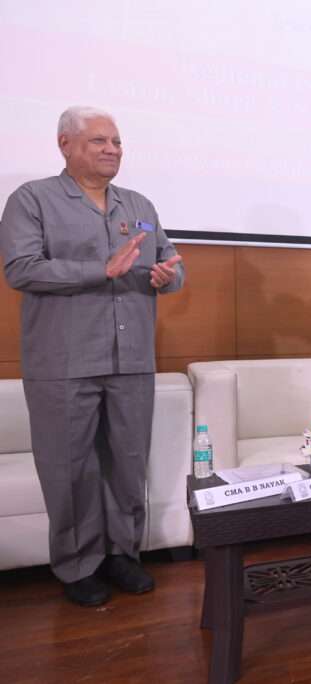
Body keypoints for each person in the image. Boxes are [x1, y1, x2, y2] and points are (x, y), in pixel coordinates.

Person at [0, 106, 185, 606]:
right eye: (99, 141)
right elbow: (21, 269)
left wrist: (168, 277)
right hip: (63, 361)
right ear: (65, 144)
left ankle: (123, 554)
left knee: (128, 462)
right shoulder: (32, 199)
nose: (111, 150)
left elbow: (171, 262)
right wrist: (99, 270)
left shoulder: (138, 204)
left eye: (117, 141)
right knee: (70, 467)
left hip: (132, 358)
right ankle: (78, 565)